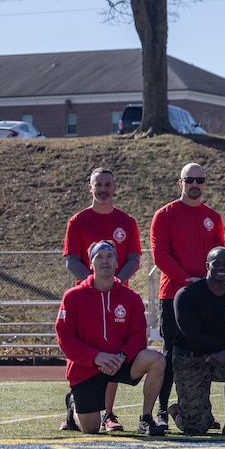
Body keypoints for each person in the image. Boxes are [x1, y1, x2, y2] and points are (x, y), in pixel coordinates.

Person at [55, 241, 166, 436]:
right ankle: (73, 406)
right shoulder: (73, 297)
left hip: (120, 360)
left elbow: (138, 335)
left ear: (117, 263)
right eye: (99, 257)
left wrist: (122, 356)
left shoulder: (131, 297)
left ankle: (146, 419)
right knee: (91, 428)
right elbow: (64, 337)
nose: (105, 261)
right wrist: (95, 356)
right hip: (88, 366)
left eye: (110, 256)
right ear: (91, 264)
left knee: (157, 359)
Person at [62, 167, 142, 432]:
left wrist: (113, 284)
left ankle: (108, 413)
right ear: (90, 188)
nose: (104, 189)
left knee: (113, 355)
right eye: (99, 184)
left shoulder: (127, 221)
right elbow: (72, 259)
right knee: (86, 356)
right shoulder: (78, 221)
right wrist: (95, 284)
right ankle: (77, 403)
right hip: (87, 300)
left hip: (117, 299)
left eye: (108, 184)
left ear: (114, 187)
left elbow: (133, 259)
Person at [150, 162, 225, 428]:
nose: (195, 184)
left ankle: (200, 410)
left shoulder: (213, 217)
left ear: (204, 183)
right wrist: (187, 280)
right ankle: (161, 409)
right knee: (170, 354)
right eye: (189, 180)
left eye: (200, 180)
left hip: (206, 296)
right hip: (173, 295)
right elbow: (161, 256)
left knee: (204, 351)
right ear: (180, 182)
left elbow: (220, 256)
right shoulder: (164, 215)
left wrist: (207, 284)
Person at [171, 247, 225, 436]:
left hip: (220, 359)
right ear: (207, 266)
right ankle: (179, 412)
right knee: (197, 428)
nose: (221, 268)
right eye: (216, 263)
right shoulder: (187, 295)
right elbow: (193, 339)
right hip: (190, 360)